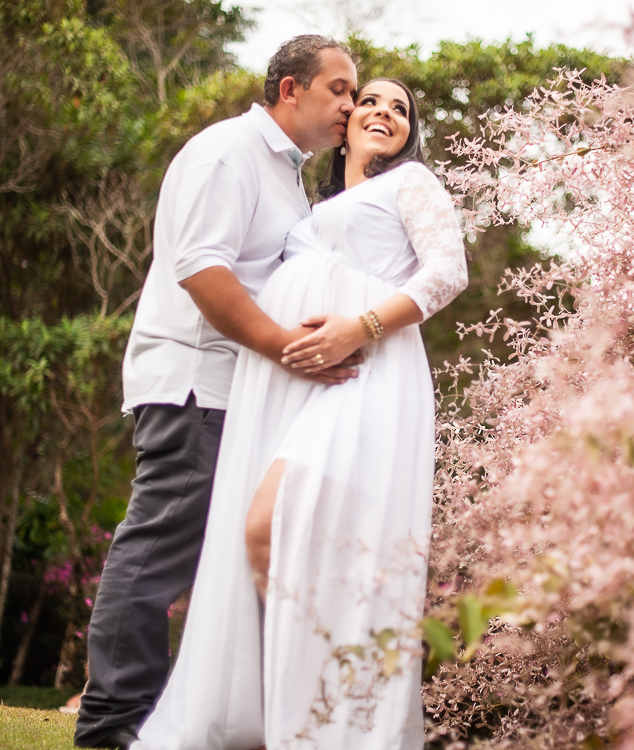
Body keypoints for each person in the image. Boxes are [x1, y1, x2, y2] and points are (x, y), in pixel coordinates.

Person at [131, 78, 467, 750]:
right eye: (370, 101)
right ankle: (295, 711)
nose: (383, 112)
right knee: (295, 539)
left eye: (400, 109)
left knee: (267, 524)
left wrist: (359, 327)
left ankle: (319, 716)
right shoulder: (312, 207)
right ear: (343, 122)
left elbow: (446, 273)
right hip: (302, 385)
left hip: (371, 373)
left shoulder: (412, 184)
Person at [75, 36, 362, 750]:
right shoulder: (228, 152)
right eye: (340, 90)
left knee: (210, 558)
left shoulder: (289, 176)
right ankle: (111, 726)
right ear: (290, 90)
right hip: (192, 385)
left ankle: (183, 718)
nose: (350, 107)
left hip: (235, 393)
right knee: (157, 553)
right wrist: (287, 349)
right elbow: (202, 271)